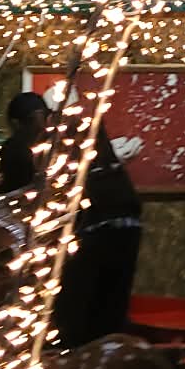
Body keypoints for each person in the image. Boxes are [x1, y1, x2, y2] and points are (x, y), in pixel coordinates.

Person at [54, 131, 144, 347]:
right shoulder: (98, 147)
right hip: (121, 226)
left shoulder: (67, 143)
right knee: (110, 307)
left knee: (82, 311)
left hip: (96, 230)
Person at [0, 91, 52, 193]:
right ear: (17, 123)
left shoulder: (49, 144)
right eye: (33, 120)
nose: (41, 127)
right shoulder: (14, 150)